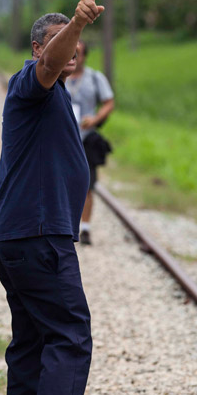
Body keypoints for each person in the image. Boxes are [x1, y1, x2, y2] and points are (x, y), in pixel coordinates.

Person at [0, 0, 105, 395]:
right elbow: (49, 65)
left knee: (33, 339)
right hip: (36, 235)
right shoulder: (30, 84)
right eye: (59, 42)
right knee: (71, 335)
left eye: (74, 42)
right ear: (39, 48)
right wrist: (76, 24)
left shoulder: (57, 94)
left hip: (20, 234)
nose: (71, 50)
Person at [65, 39, 115, 245]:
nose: (74, 57)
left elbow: (109, 102)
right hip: (63, 139)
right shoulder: (59, 75)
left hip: (86, 138)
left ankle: (84, 228)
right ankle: (65, 226)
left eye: (78, 53)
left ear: (85, 56)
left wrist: (95, 119)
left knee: (87, 185)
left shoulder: (95, 78)